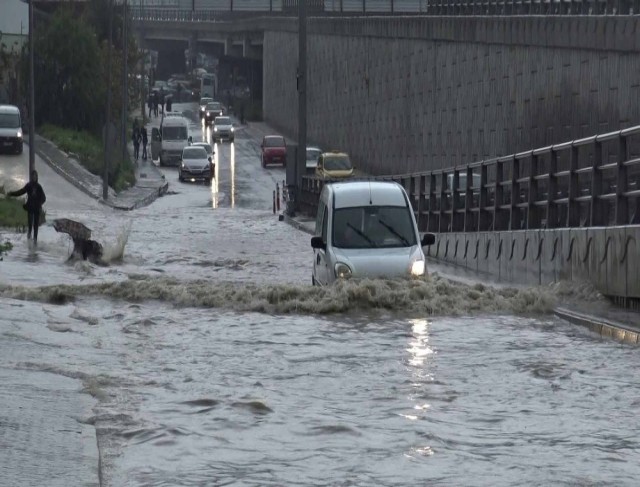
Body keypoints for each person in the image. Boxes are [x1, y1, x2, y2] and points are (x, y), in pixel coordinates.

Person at [8, 170, 46, 243]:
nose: (34, 177)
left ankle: (35, 241)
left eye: (35, 176)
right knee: (30, 225)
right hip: (30, 207)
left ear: (37, 177)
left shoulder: (39, 187)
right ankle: (29, 241)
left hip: (37, 209)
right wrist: (12, 194)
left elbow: (44, 198)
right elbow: (21, 192)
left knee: (36, 226)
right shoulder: (28, 185)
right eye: (33, 176)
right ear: (31, 177)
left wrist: (39, 203)